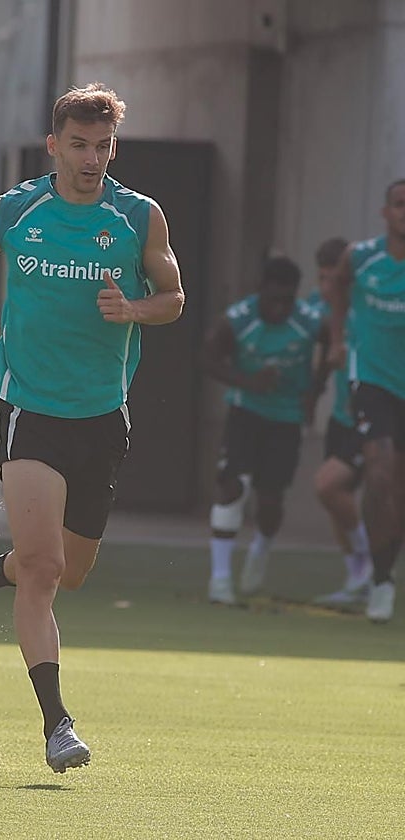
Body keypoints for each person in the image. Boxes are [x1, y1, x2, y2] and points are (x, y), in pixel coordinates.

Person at [0, 83, 184, 773]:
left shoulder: (139, 216)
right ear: (54, 144)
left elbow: (174, 298)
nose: (91, 159)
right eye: (78, 145)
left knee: (69, 572)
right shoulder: (17, 209)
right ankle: (57, 725)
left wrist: (134, 309)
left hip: (102, 413)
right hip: (28, 406)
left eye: (103, 146)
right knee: (43, 568)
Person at [200, 255, 325, 605]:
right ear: (260, 292)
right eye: (273, 300)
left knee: (270, 501)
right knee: (231, 485)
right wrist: (247, 381)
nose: (280, 308)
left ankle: (261, 549)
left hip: (286, 418)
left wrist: (313, 395)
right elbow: (208, 358)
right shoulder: (238, 320)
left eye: (287, 300)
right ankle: (220, 578)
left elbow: (332, 347)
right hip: (246, 411)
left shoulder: (310, 322)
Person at [328, 178, 405, 623]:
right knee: (378, 471)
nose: (404, 212)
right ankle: (380, 580)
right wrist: (338, 339)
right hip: (372, 380)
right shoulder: (361, 257)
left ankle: (385, 567)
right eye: (399, 204)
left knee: (398, 487)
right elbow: (337, 286)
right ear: (385, 212)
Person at [305, 237, 373, 606]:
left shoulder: (366, 310)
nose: (327, 287)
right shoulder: (318, 307)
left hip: (373, 415)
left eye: (334, 279)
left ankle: (371, 566)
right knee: (335, 499)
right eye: (322, 278)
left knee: (328, 485)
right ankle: (357, 577)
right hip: (341, 416)